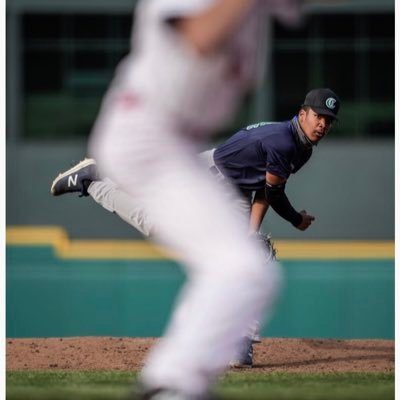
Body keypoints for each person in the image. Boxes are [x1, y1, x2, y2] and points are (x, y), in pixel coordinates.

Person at [52, 1, 304, 399]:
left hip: (184, 145)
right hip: (146, 136)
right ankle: (171, 384)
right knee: (242, 267)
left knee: (237, 266)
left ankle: (179, 381)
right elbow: (199, 36)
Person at [51, 87, 341, 369]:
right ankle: (92, 180)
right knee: (153, 222)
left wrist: (251, 233)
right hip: (210, 178)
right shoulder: (284, 141)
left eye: (328, 120)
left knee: (252, 255)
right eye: (318, 116)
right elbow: (274, 194)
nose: (323, 124)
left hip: (236, 190)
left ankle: (240, 341)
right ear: (302, 113)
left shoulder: (302, 146)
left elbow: (265, 190)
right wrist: (295, 219)